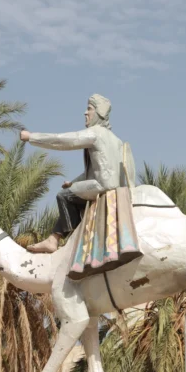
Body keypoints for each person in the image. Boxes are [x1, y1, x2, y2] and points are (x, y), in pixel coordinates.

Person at [20, 94, 127, 254]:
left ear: (99, 113)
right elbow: (100, 170)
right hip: (116, 189)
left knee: (64, 196)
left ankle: (69, 239)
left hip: (102, 186)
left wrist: (31, 137)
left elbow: (63, 140)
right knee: (72, 194)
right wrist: (74, 183)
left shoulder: (95, 133)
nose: (85, 112)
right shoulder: (117, 140)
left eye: (89, 109)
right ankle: (55, 238)